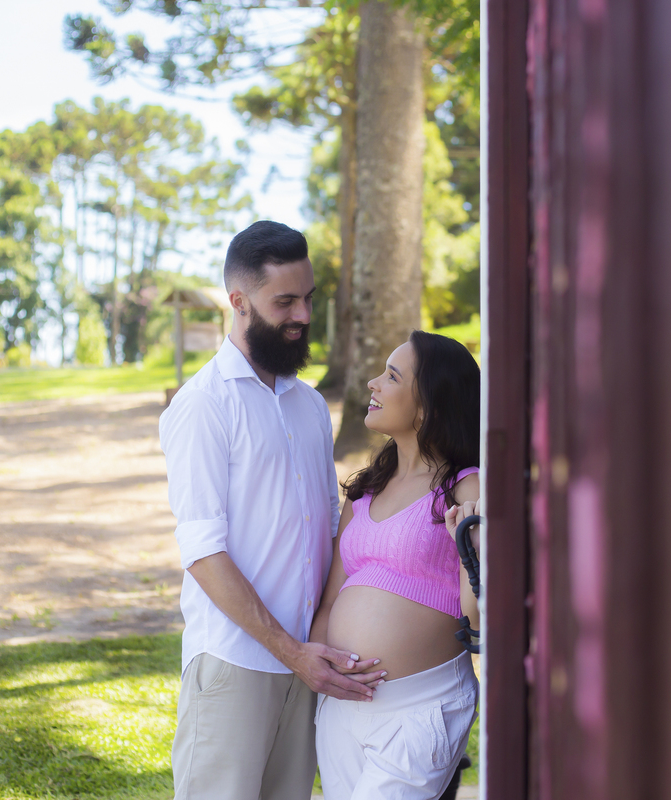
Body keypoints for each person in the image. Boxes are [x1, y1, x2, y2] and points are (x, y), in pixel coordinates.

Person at [159, 220, 384, 800]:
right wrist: (292, 652)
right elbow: (204, 555)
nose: (302, 316)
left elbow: (328, 530)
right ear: (239, 302)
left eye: (307, 298)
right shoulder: (202, 406)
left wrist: (314, 647)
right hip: (236, 665)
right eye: (284, 301)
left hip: (305, 667)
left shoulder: (309, 405)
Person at [310, 330, 483, 800]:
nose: (372, 383)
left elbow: (480, 619)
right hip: (343, 709)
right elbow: (330, 602)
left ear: (426, 405)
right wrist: (325, 671)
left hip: (419, 707)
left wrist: (469, 548)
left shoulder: (466, 489)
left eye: (391, 375)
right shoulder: (364, 493)